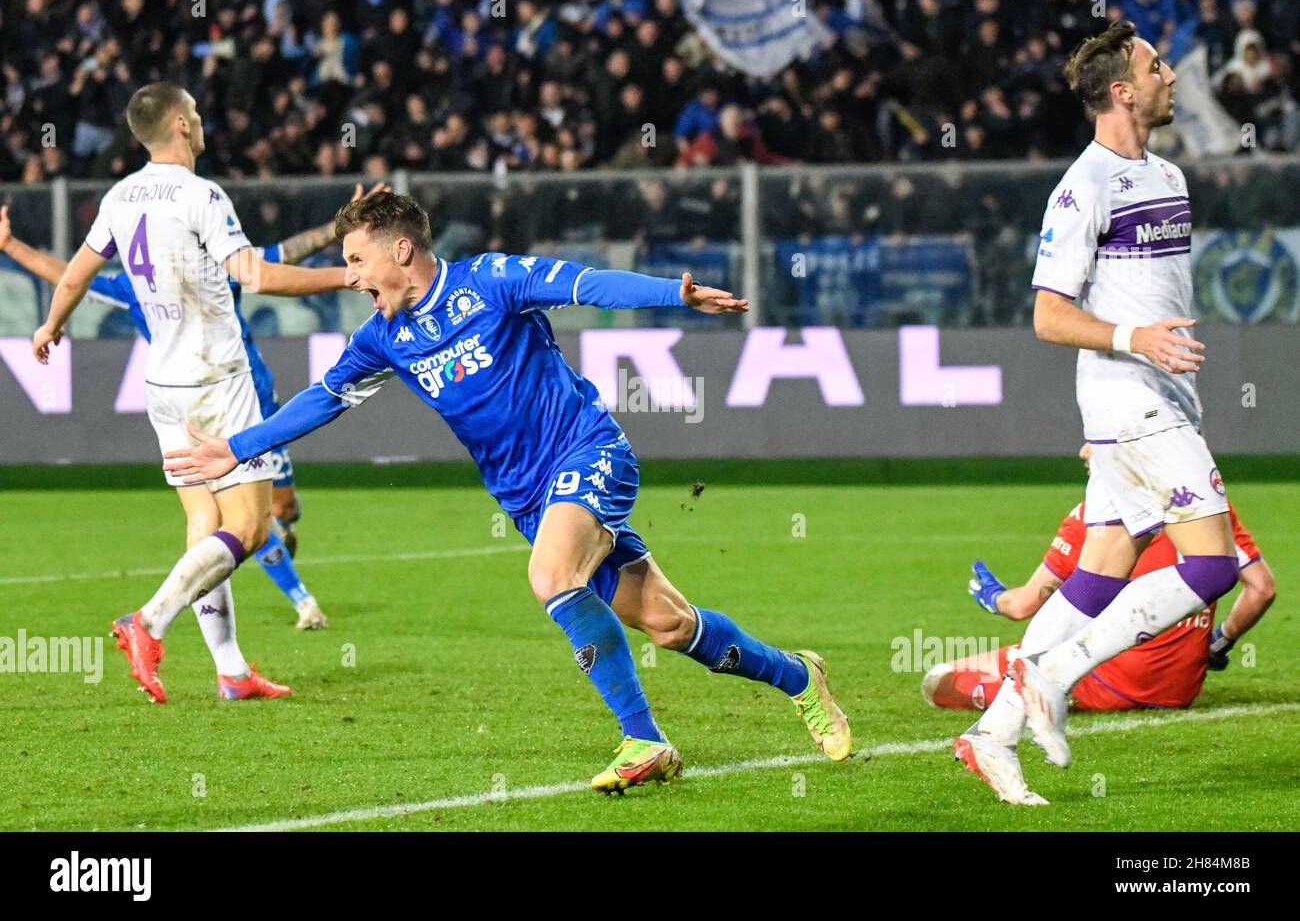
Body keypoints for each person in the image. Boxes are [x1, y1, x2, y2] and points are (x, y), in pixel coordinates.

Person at [164, 191, 853, 792]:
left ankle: (644, 739)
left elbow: (587, 284)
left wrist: (672, 294)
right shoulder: (383, 336)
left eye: (356, 260)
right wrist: (238, 446)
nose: (349, 276)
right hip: (528, 499)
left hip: (589, 452)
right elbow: (324, 398)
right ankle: (799, 678)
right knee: (672, 626)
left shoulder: (491, 280)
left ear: (401, 250)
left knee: (551, 575)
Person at [952, 21, 1240, 805]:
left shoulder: (1170, 178)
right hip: (1128, 399)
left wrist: (1153, 344)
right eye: (1156, 65)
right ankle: (1053, 675)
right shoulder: (1083, 187)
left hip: (1161, 398)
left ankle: (993, 735)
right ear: (1122, 90)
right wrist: (1134, 339)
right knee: (1212, 566)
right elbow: (1049, 315)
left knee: (1098, 574)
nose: (1171, 74)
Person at [31, 83, 346, 702]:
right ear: (179, 123)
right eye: (197, 115)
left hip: (165, 386)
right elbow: (253, 274)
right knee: (252, 530)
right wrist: (346, 274)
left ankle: (230, 671)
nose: (202, 123)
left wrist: (51, 325)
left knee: (205, 524)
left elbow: (75, 274)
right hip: (216, 383)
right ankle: (146, 622)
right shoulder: (201, 194)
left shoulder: (120, 196)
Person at [2, 186, 387, 629]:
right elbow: (70, 276)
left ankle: (222, 640)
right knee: (234, 518)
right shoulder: (137, 286)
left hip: (253, 396)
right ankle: (300, 604)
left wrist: (342, 229)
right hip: (202, 407)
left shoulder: (221, 264)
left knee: (273, 512)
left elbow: (286, 254)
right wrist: (12, 246)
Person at [925, 446, 1275, 712]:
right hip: (1180, 691)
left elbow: (1023, 606)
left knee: (946, 674)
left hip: (1112, 679)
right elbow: (1261, 588)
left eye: (1095, 438)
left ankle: (1005, 705)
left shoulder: (1094, 518)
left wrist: (994, 596)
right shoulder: (1210, 510)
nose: (1084, 451)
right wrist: (1219, 642)